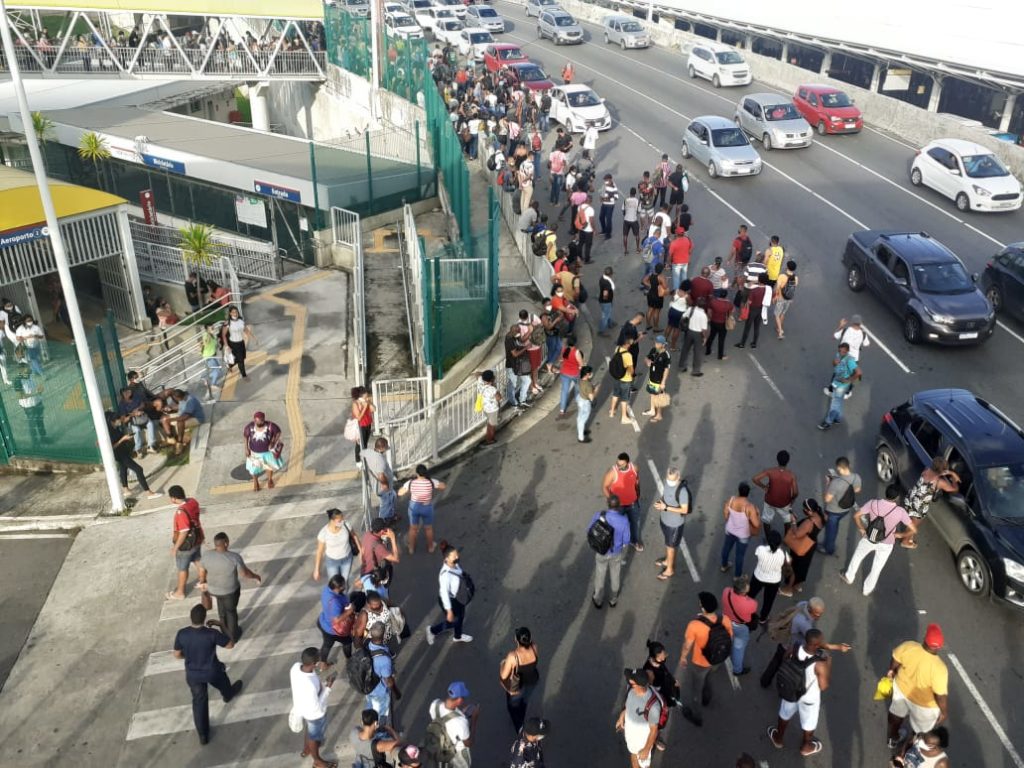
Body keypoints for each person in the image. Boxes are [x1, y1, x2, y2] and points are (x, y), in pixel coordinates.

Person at [173, 603, 242, 745]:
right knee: (223, 682)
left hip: (193, 675)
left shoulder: (182, 634)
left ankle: (203, 735)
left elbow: (177, 654)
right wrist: (221, 624)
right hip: (212, 671)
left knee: (199, 703)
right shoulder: (211, 634)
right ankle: (228, 695)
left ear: (190, 618)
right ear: (204, 618)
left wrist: (189, 657)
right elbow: (231, 644)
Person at [841, 484, 916, 596]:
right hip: (887, 543)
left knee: (858, 556)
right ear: (896, 497)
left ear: (885, 493)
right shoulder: (900, 511)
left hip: (869, 537)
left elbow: (856, 516)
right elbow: (913, 530)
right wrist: (900, 535)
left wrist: (862, 529)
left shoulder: (873, 503)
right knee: (877, 567)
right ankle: (867, 590)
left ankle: (849, 577)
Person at [766, 628, 830, 757]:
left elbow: (784, 660)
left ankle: (778, 739)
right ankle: (806, 747)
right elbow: (823, 686)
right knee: (809, 722)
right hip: (809, 698)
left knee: (784, 714)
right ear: (817, 645)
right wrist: (829, 662)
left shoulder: (794, 648)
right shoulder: (820, 664)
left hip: (791, 690)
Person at [886, 625, 949, 749]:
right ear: (939, 646)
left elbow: (895, 660)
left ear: (925, 639)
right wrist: (944, 712)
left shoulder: (909, 646)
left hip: (901, 689)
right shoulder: (940, 668)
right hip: (924, 704)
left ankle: (893, 738)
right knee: (920, 731)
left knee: (896, 714)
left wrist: (891, 671)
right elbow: (940, 695)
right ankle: (907, 752)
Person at [677, 591, 733, 727]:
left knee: (696, 689)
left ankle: (697, 716)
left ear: (703, 608)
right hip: (716, 659)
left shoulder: (694, 625)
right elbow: (730, 637)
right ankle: (707, 698)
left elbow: (687, 645)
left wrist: (683, 657)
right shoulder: (724, 619)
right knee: (709, 678)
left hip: (700, 662)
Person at [198, 532, 261, 642]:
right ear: (226, 543)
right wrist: (256, 576)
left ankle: (224, 630)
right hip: (230, 591)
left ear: (215, 544)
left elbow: (202, 571)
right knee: (231, 612)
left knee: (221, 610)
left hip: (213, 590)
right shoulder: (234, 557)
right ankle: (233, 636)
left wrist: (202, 582)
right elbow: (244, 574)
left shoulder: (207, 555)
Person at [290, 647, 338, 768]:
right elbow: (317, 705)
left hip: (302, 707)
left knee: (310, 730)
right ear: (313, 664)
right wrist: (328, 687)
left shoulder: (295, 667)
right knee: (314, 736)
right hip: (315, 714)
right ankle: (317, 761)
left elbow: (312, 678)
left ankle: (307, 749)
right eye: (318, 658)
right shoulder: (309, 685)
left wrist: (322, 682)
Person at [901, 458, 959, 549]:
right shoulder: (939, 482)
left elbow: (936, 472)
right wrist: (954, 478)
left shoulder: (926, 470)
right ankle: (905, 541)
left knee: (911, 519)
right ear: (942, 471)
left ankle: (907, 535)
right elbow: (954, 489)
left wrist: (949, 472)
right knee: (914, 525)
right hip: (919, 506)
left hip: (911, 498)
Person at [590, 494, 631, 609]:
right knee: (615, 575)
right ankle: (613, 599)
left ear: (608, 504)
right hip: (616, 552)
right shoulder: (623, 520)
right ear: (618, 506)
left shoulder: (599, 515)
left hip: (601, 551)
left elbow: (589, 529)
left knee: (600, 574)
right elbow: (627, 540)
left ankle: (598, 599)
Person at [106, 411, 160, 499]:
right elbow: (111, 447)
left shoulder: (115, 427)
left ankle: (126, 490)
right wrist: (123, 439)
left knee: (123, 468)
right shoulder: (108, 431)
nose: (120, 421)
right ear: (112, 421)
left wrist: (126, 437)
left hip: (123, 452)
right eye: (118, 420)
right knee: (138, 469)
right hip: (119, 454)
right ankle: (148, 492)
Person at [426, 543, 473, 644]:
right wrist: (449, 611)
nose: (457, 557)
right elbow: (444, 594)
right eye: (454, 556)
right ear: (446, 559)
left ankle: (458, 636)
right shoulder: (445, 575)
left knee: (460, 617)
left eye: (457, 554)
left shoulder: (454, 564)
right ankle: (432, 630)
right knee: (452, 622)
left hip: (458, 597)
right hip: (450, 601)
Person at [167, 485, 207, 601]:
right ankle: (203, 581)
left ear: (174, 498)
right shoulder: (193, 502)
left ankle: (180, 592)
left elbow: (183, 532)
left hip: (186, 545)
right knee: (198, 560)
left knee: (182, 568)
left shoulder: (181, 512)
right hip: (197, 539)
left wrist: (175, 548)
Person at [398, 464, 447, 554]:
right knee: (428, 528)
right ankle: (430, 547)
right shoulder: (431, 482)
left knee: (413, 528)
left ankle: (411, 549)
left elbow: (400, 493)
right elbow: (443, 486)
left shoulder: (411, 482)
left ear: (417, 473)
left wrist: (405, 487)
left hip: (414, 508)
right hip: (426, 507)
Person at [616, 668, 661, 768]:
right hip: (631, 739)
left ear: (639, 686)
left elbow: (654, 730)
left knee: (645, 766)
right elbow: (628, 707)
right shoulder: (632, 691)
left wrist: (646, 749)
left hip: (642, 743)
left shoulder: (653, 706)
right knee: (633, 757)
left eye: (631, 682)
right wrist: (622, 715)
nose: (628, 682)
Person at [500, 626, 540, 734]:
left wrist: (503, 664)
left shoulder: (513, 656)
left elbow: (503, 677)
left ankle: (519, 728)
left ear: (516, 640)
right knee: (524, 702)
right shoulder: (534, 647)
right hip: (532, 681)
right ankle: (522, 717)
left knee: (512, 707)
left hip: (518, 686)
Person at [426, 682, 477, 768]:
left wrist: (460, 713)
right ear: (459, 699)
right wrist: (474, 719)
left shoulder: (435, 704)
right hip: (456, 754)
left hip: (439, 745)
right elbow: (469, 742)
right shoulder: (461, 722)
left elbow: (444, 718)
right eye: (463, 698)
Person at [820, 456, 862, 555]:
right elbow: (857, 490)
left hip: (834, 511)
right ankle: (827, 543)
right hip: (845, 509)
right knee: (834, 526)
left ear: (839, 468)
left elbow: (827, 499)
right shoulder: (856, 477)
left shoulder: (835, 483)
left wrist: (828, 484)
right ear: (849, 465)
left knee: (831, 530)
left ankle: (828, 549)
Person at [653, 467, 689, 580]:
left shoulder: (682, 492)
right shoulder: (667, 482)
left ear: (678, 477)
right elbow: (666, 495)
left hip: (674, 525)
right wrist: (661, 501)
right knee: (668, 544)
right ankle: (667, 561)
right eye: (668, 479)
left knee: (671, 547)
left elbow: (684, 510)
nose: (669, 481)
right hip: (665, 520)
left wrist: (666, 507)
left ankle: (669, 570)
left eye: (672, 480)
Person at [720, 482, 761, 578]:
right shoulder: (749, 507)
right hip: (743, 535)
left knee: (726, 548)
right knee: (739, 555)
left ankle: (724, 565)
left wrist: (730, 522)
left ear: (739, 491)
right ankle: (737, 576)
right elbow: (756, 524)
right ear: (748, 493)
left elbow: (725, 513)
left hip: (730, 530)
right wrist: (757, 513)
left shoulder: (731, 500)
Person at [602, 453, 643, 551]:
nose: (618, 466)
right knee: (616, 526)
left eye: (621, 464)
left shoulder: (634, 468)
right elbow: (605, 487)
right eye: (617, 463)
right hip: (618, 506)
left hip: (632, 503)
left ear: (627, 463)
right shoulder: (612, 472)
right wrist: (611, 500)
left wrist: (638, 493)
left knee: (634, 523)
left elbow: (637, 481)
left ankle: (634, 541)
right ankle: (616, 544)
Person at [784, 499, 826, 594]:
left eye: (805, 509)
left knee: (795, 566)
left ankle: (788, 588)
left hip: (803, 546)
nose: (804, 510)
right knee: (803, 567)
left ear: (809, 510)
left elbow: (797, 534)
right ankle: (798, 585)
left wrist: (794, 522)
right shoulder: (821, 516)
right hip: (811, 545)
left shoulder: (809, 522)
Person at [643, 640, 678, 749]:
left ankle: (655, 736)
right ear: (654, 657)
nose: (664, 657)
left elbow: (664, 671)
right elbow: (650, 690)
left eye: (664, 654)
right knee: (658, 720)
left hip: (663, 691)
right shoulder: (649, 672)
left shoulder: (658, 662)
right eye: (662, 655)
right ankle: (654, 738)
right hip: (657, 696)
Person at [752, 450, 799, 533]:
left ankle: (769, 538)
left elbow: (755, 479)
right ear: (788, 461)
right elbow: (795, 493)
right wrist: (792, 500)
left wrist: (764, 487)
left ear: (777, 459)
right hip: (784, 503)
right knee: (787, 520)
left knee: (766, 520)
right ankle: (786, 538)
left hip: (770, 501)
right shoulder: (791, 476)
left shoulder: (770, 471)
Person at [748, 530, 789, 622]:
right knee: (768, 601)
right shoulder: (782, 554)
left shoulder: (760, 549)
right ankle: (763, 618)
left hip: (758, 576)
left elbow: (757, 555)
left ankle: (746, 612)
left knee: (750, 595)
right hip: (774, 581)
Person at [365, 621, 400, 726]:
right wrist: (396, 692)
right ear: (384, 635)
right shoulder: (384, 659)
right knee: (384, 715)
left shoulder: (367, 645)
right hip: (380, 691)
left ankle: (369, 724)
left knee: (371, 706)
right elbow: (388, 681)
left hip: (368, 687)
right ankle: (382, 731)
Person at [818, 342, 859, 430]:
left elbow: (859, 373)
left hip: (842, 386)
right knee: (838, 402)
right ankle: (838, 418)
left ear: (847, 351)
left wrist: (849, 380)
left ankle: (828, 422)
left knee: (835, 403)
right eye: (840, 351)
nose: (841, 353)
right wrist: (834, 362)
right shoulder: (838, 355)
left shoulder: (850, 360)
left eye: (843, 352)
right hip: (836, 381)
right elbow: (834, 364)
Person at [722, 576, 758, 675]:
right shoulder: (751, 604)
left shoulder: (726, 591)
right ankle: (737, 670)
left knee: (727, 640)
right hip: (740, 627)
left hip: (726, 621)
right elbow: (753, 611)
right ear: (743, 592)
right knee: (738, 649)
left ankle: (724, 652)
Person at [314, 508, 360, 583]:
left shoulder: (346, 525)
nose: (342, 521)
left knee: (344, 582)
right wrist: (317, 569)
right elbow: (319, 552)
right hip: (332, 562)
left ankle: (344, 594)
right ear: (332, 521)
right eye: (339, 520)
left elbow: (354, 536)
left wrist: (361, 551)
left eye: (342, 518)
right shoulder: (323, 533)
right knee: (334, 583)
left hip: (347, 559)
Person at [243, 410, 283, 491]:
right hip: (254, 453)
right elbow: (245, 437)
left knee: (269, 467)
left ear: (264, 419)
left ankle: (269, 479)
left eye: (261, 421)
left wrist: (273, 441)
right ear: (254, 420)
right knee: (254, 470)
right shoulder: (250, 427)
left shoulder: (271, 426)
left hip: (268, 453)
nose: (260, 423)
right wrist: (246, 448)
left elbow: (278, 432)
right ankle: (255, 482)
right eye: (258, 421)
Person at [317, 574, 354, 662]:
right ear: (339, 587)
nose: (345, 586)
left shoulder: (327, 590)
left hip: (323, 622)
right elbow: (336, 620)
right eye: (343, 585)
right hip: (333, 630)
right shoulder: (335, 602)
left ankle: (323, 664)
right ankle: (349, 660)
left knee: (327, 645)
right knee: (347, 642)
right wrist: (350, 611)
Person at [162, 388, 206, 454]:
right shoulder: (182, 397)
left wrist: (171, 420)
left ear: (178, 397)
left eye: (175, 398)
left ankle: (180, 444)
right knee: (164, 418)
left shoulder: (190, 401)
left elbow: (185, 417)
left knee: (180, 422)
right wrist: (170, 408)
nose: (174, 400)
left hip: (196, 418)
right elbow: (180, 406)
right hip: (184, 415)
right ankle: (170, 439)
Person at [735, 273, 769, 349]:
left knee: (747, 327)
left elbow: (749, 302)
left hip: (753, 310)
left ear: (759, 280)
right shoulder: (768, 290)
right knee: (757, 327)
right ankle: (754, 343)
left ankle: (742, 344)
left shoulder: (754, 290)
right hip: (761, 310)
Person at [641, 336, 671, 422]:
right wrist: (647, 361)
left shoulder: (666, 356)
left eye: (658, 343)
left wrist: (663, 382)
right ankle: (652, 410)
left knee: (659, 397)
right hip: (652, 378)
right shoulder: (654, 350)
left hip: (659, 380)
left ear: (663, 345)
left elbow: (666, 370)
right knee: (652, 394)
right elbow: (646, 358)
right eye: (655, 342)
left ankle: (659, 415)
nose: (656, 344)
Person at [607, 339, 635, 425]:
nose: (630, 345)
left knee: (615, 394)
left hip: (617, 377)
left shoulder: (617, 349)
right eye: (629, 344)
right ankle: (624, 417)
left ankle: (611, 411)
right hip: (626, 379)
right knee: (624, 398)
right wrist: (632, 374)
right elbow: (631, 370)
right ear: (626, 345)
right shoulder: (628, 355)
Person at [221, 305, 253, 379]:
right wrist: (226, 346)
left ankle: (229, 365)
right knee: (240, 360)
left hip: (241, 343)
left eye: (236, 312)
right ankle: (244, 375)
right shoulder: (228, 323)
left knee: (239, 359)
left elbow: (245, 330)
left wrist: (253, 338)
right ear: (230, 313)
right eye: (233, 312)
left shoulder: (241, 321)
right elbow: (223, 335)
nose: (235, 313)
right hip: (233, 344)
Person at [679, 296, 708, 375]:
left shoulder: (691, 309)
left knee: (685, 349)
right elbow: (704, 329)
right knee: (697, 352)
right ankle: (695, 370)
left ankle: (682, 366)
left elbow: (684, 316)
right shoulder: (703, 315)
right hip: (698, 334)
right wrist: (705, 338)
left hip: (689, 332)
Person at [556, 335, 583, 419]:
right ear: (575, 342)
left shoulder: (564, 349)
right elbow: (581, 364)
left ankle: (562, 409)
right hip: (575, 374)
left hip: (564, 373)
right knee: (577, 388)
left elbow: (561, 359)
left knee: (564, 391)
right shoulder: (577, 352)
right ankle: (578, 401)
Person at [704, 289, 733, 361]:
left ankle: (708, 351)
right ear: (726, 296)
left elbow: (709, 311)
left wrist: (710, 318)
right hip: (723, 323)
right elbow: (731, 313)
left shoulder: (713, 302)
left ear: (719, 294)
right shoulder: (728, 304)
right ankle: (720, 356)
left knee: (711, 336)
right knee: (721, 340)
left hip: (714, 321)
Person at [350, 386, 375, 466]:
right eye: (366, 394)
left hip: (368, 424)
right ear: (362, 395)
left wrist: (369, 403)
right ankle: (358, 460)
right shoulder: (355, 403)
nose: (367, 396)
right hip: (360, 426)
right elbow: (359, 417)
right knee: (359, 443)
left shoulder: (366, 402)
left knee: (365, 442)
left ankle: (364, 456)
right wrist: (365, 407)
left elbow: (373, 409)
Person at [199, 323, 224, 401]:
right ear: (207, 329)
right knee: (216, 370)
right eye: (211, 328)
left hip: (213, 355)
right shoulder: (207, 335)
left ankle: (204, 378)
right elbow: (205, 342)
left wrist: (218, 344)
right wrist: (205, 342)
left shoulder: (213, 335)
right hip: (208, 356)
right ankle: (212, 384)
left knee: (217, 370)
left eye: (213, 327)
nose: (213, 329)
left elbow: (214, 344)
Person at [774, 261, 798, 339]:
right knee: (783, 313)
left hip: (781, 298)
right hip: (789, 299)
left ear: (787, 267)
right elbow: (794, 288)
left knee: (777, 314)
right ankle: (779, 327)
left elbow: (778, 288)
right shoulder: (796, 278)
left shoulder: (782, 276)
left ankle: (780, 331)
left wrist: (776, 296)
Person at [642, 264, 668, 333]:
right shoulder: (661, 277)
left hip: (650, 294)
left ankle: (648, 324)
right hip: (658, 296)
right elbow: (665, 287)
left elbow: (644, 280)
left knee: (650, 309)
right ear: (661, 270)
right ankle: (656, 327)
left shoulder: (650, 274)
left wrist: (649, 285)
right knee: (656, 311)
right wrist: (665, 280)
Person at [477, 369, 502, 444]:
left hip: (485, 408)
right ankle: (489, 439)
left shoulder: (480, 382)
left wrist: (482, 374)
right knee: (492, 426)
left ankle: (489, 437)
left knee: (489, 423)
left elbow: (477, 374)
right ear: (492, 379)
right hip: (493, 410)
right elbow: (499, 398)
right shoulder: (493, 389)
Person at [576, 365, 597, 444]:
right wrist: (595, 389)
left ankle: (581, 431)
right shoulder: (588, 384)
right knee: (582, 419)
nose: (592, 374)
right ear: (587, 374)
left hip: (580, 399)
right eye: (590, 373)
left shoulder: (581, 380)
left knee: (580, 417)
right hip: (585, 402)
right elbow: (591, 397)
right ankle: (581, 437)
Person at [622, 187, 641, 254]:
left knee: (625, 235)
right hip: (634, 220)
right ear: (635, 193)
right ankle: (637, 249)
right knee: (637, 235)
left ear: (630, 192)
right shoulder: (637, 201)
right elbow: (639, 211)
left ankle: (625, 250)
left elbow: (623, 210)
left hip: (626, 220)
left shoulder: (626, 200)